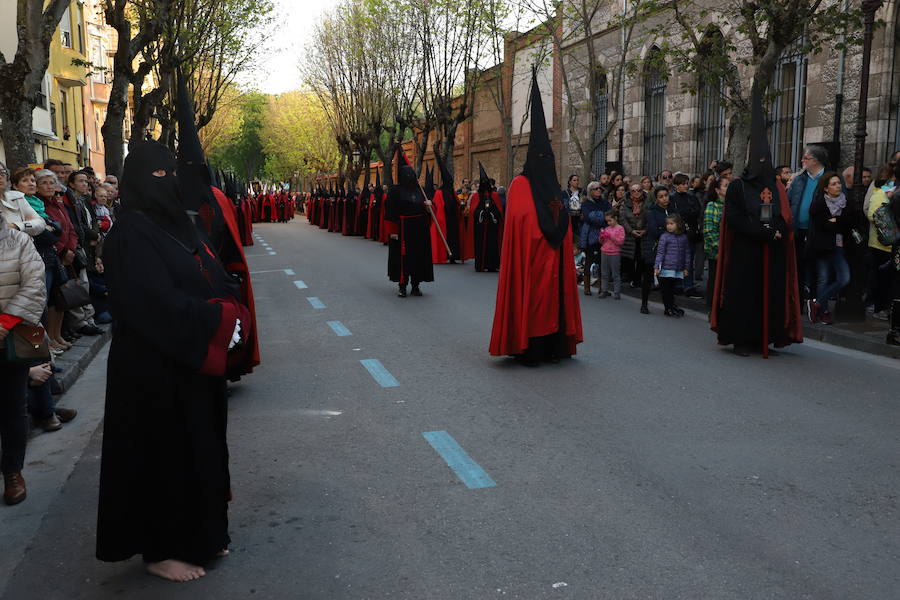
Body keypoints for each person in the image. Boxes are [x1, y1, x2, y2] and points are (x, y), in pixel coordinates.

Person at [96, 141, 249, 582]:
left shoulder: (180, 225)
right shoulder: (130, 234)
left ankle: (204, 533)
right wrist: (217, 319)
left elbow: (210, 272)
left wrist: (230, 304)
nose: (168, 182)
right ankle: (161, 550)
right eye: (157, 175)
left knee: (199, 449)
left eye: (171, 173)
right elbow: (151, 305)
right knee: (163, 457)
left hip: (191, 364)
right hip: (153, 370)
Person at [489, 71, 583, 365]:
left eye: (549, 161)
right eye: (541, 160)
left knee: (554, 305)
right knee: (533, 303)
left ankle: (555, 347)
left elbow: (562, 217)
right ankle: (529, 348)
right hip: (530, 263)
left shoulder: (554, 188)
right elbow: (520, 224)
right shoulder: (520, 185)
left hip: (553, 262)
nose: (545, 165)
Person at [711, 83, 803, 357]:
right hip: (745, 252)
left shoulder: (774, 187)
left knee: (768, 296)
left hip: (770, 254)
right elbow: (736, 218)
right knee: (744, 297)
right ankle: (741, 339)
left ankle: (766, 336)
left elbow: (775, 213)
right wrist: (761, 233)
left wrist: (774, 229)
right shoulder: (738, 187)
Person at [0, 209, 47, 505]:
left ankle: (13, 472)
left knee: (13, 408)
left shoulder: (17, 241)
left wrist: (4, 324)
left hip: (10, 339)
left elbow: (34, 285)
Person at [805, 173, 853, 325]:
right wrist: (837, 224)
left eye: (839, 183)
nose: (838, 186)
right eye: (833, 184)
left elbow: (850, 222)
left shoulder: (846, 202)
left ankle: (816, 303)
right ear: (826, 188)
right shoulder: (819, 204)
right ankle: (824, 311)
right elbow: (824, 225)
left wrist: (837, 220)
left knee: (844, 278)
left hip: (838, 245)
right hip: (823, 247)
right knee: (823, 278)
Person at [385, 157, 434, 297]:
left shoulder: (421, 190)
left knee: (418, 258)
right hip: (402, 229)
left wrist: (430, 206)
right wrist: (393, 231)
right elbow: (390, 212)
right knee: (403, 259)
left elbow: (429, 209)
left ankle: (416, 285)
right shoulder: (395, 191)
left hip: (419, 229)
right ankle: (402, 285)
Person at [788, 145, 829, 298]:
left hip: (818, 232)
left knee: (818, 270)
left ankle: (816, 303)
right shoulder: (799, 179)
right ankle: (797, 304)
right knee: (798, 268)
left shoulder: (830, 179)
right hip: (798, 231)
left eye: (806, 158)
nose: (802, 160)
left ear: (816, 161)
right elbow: (789, 200)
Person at [669, 173, 703, 298]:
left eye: (687, 183)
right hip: (679, 232)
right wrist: (687, 214)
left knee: (689, 260)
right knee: (679, 259)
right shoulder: (672, 198)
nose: (686, 186)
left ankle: (688, 285)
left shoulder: (691, 196)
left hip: (691, 231)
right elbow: (675, 214)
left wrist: (687, 214)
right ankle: (678, 284)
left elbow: (697, 210)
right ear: (677, 185)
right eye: (683, 183)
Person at [654, 215, 691, 317]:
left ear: (678, 224)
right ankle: (668, 308)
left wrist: (686, 268)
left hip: (677, 268)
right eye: (667, 224)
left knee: (672, 289)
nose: (669, 226)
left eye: (671, 224)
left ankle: (671, 306)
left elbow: (687, 253)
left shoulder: (683, 237)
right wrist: (657, 266)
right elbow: (660, 252)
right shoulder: (664, 237)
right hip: (666, 268)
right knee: (666, 289)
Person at [470, 163, 503, 272]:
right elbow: (473, 211)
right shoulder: (476, 196)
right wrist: (482, 213)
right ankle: (480, 265)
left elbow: (499, 210)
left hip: (492, 227)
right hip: (480, 226)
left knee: (492, 245)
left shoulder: (495, 196)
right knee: (480, 245)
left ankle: (491, 265)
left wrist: (492, 214)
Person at [579, 181, 609, 295]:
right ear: (590, 191)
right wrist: (602, 216)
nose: (598, 190)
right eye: (595, 189)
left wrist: (597, 216)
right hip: (590, 236)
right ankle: (587, 287)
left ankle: (602, 287)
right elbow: (589, 217)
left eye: (599, 188)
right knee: (589, 260)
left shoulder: (605, 202)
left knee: (603, 262)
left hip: (604, 236)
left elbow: (609, 216)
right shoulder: (586, 203)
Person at [703, 177, 727, 309]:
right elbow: (709, 231)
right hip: (716, 252)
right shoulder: (713, 205)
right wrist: (721, 248)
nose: (728, 188)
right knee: (714, 280)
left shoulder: (730, 205)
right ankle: (711, 308)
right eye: (725, 186)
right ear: (717, 190)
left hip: (728, 250)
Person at [617, 185, 646, 288]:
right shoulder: (625, 204)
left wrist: (645, 230)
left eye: (639, 190)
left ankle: (638, 279)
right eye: (633, 191)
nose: (636, 193)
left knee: (641, 258)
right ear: (630, 192)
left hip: (644, 235)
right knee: (630, 258)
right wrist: (631, 230)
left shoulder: (647, 203)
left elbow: (650, 217)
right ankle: (631, 277)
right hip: (630, 236)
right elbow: (622, 219)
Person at [598, 212, 625, 299]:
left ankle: (617, 293)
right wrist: (601, 237)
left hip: (615, 253)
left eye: (610, 220)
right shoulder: (607, 228)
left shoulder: (620, 228)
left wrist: (610, 236)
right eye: (607, 221)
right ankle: (604, 290)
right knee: (604, 273)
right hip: (604, 252)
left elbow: (620, 242)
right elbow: (601, 242)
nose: (608, 223)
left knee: (615, 274)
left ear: (616, 218)